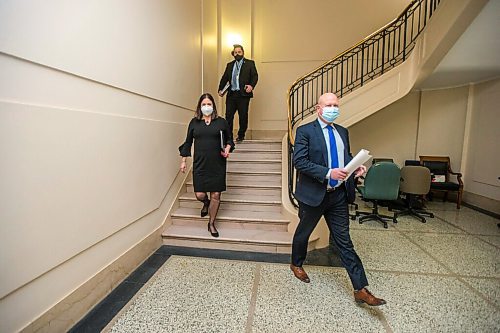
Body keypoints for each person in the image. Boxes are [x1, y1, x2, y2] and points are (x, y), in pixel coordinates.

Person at [290, 92, 386, 306]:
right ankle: (296, 263)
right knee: (303, 233)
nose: (333, 108)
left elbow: (346, 157)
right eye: (329, 105)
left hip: (338, 196)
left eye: (336, 105)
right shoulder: (305, 131)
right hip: (313, 195)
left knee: (345, 242)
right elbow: (300, 162)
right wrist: (328, 172)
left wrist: (355, 167)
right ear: (318, 108)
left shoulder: (342, 131)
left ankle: (360, 288)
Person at [179, 93, 234, 237]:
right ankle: (205, 203)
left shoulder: (221, 122)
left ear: (213, 106)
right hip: (200, 164)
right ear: (199, 107)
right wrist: (183, 161)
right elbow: (188, 142)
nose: (206, 107)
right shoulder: (194, 122)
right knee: (199, 194)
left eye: (209, 104)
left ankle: (211, 223)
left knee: (216, 194)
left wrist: (227, 149)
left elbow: (230, 140)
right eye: (203, 104)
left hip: (217, 164)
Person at [218, 44, 258, 142]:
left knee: (243, 116)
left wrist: (251, 86)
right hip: (231, 94)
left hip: (243, 95)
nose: (237, 54)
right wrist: (220, 89)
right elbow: (224, 78)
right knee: (228, 116)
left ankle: (241, 135)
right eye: (235, 52)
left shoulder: (250, 63)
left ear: (243, 52)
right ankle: (229, 137)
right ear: (233, 53)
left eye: (239, 52)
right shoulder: (230, 65)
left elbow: (255, 76)